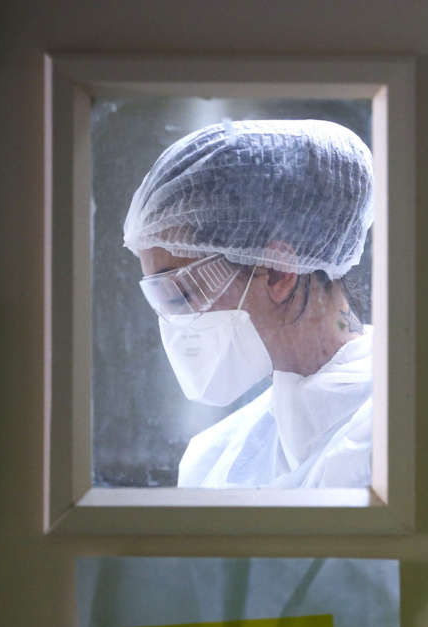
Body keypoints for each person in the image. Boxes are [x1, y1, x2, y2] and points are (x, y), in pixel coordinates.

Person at [122, 119, 375, 489]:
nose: (174, 324)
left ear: (277, 272)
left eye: (183, 295)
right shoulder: (214, 461)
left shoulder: (400, 435)